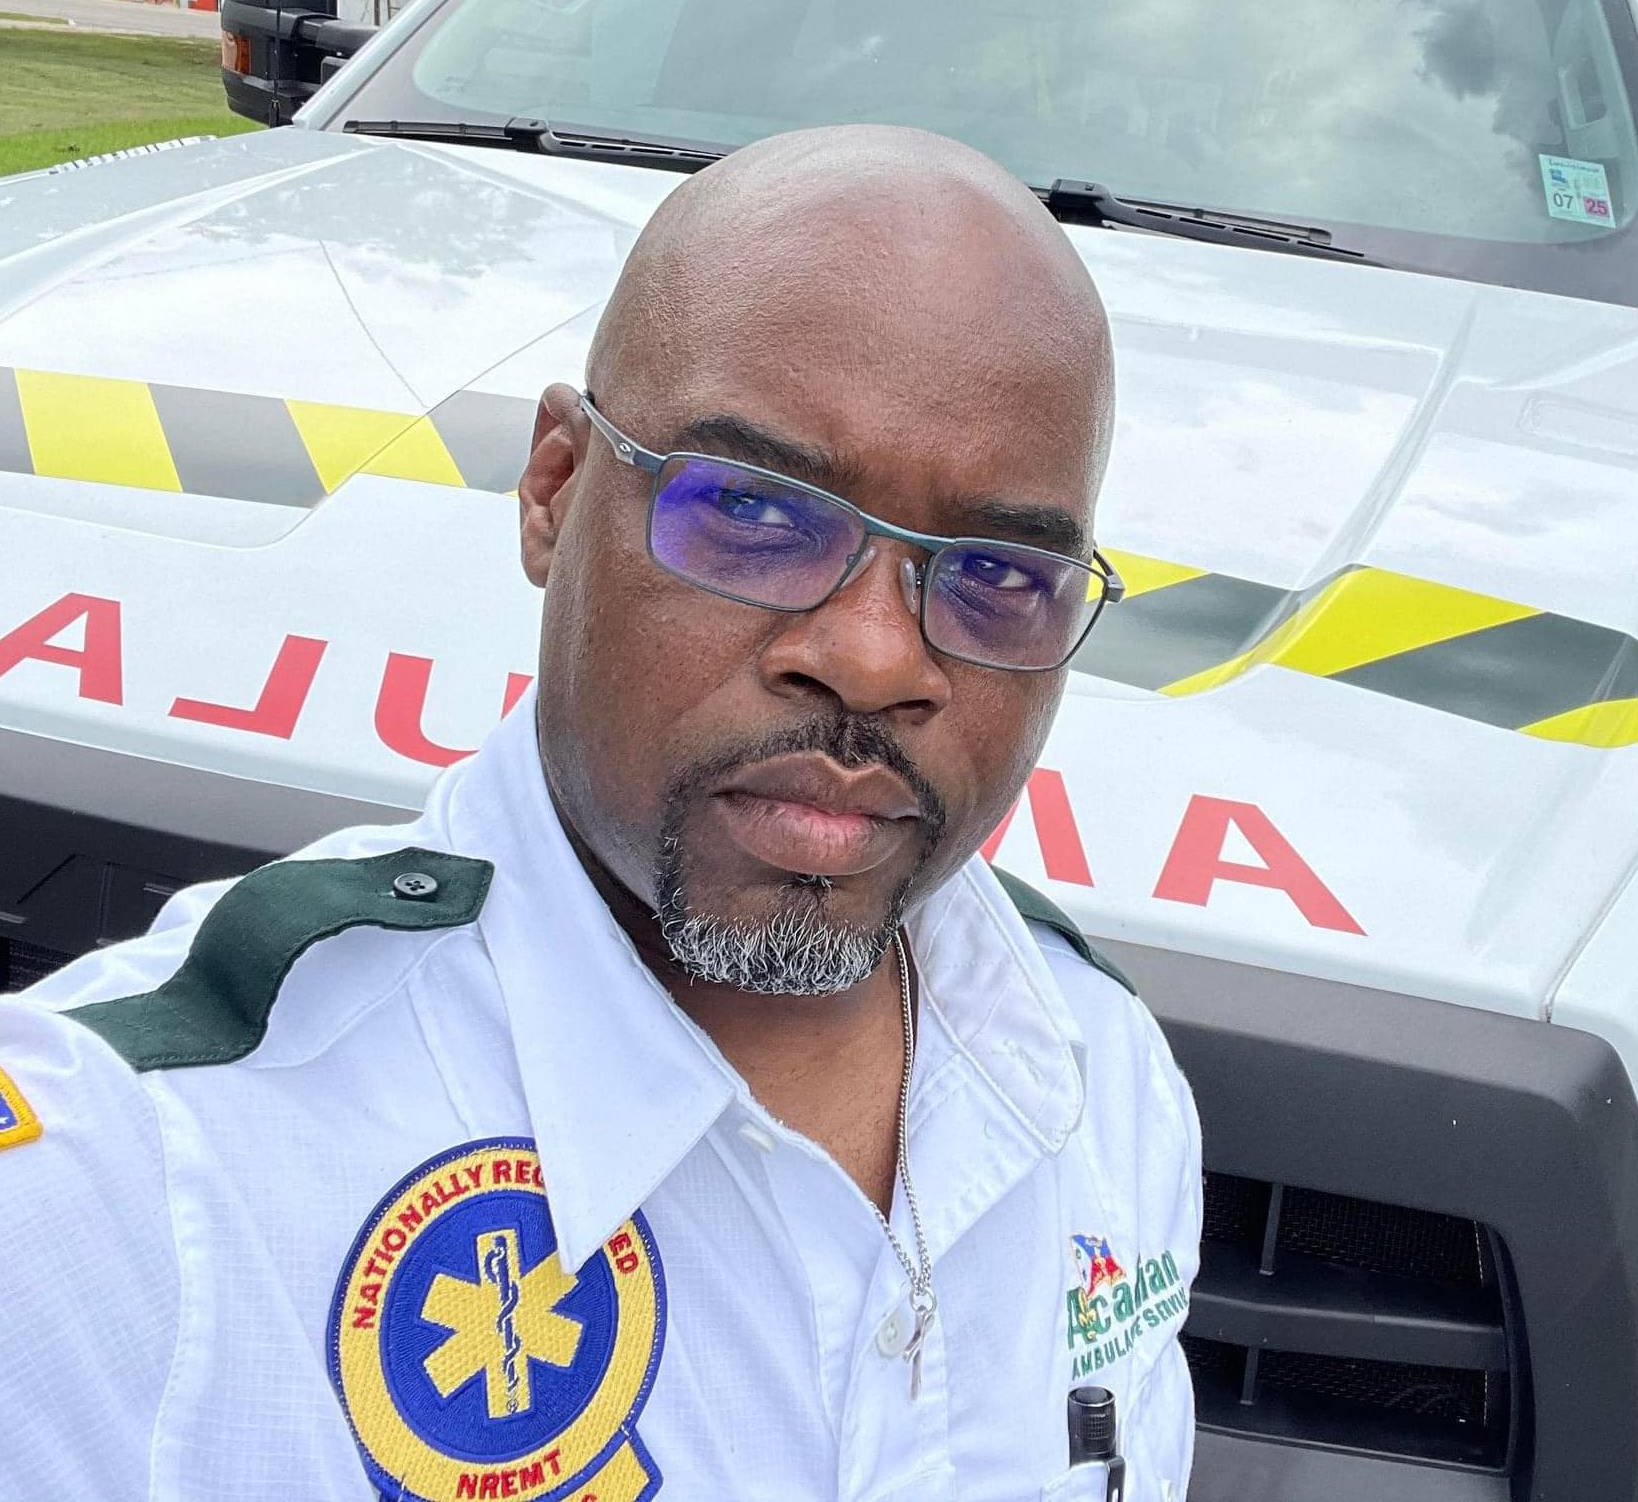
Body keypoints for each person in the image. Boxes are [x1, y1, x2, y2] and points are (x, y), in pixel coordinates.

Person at [0, 125, 1200, 1501]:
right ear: (555, 490)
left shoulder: (1095, 1069)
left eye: (997, 576)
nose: (875, 658)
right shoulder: (133, 1183)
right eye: (755, 510)